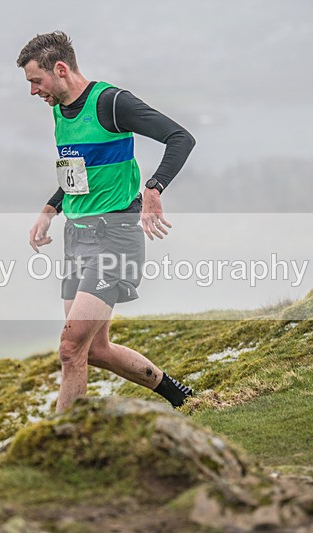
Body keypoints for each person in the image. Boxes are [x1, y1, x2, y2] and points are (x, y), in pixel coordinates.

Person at [17, 31, 196, 412]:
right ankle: (180, 396)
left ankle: (63, 439)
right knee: (94, 350)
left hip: (113, 238)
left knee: (70, 349)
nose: (33, 91)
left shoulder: (111, 103)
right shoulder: (59, 110)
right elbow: (82, 174)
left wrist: (154, 187)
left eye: (36, 80)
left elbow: (180, 138)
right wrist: (50, 209)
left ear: (60, 69)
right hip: (77, 238)